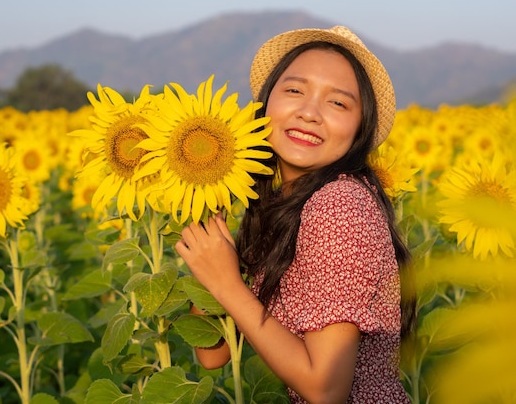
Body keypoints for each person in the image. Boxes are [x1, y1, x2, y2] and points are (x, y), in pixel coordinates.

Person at [175, 25, 416, 404]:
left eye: (337, 103)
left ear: (359, 128)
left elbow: (326, 390)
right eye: (294, 90)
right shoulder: (285, 207)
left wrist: (226, 282)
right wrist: (210, 222)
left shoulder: (337, 206)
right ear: (266, 104)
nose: (309, 113)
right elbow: (213, 353)